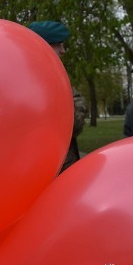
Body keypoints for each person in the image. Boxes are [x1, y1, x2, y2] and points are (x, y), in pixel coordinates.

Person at [28, 20, 88, 172]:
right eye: (59, 44)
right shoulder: (45, 82)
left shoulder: (52, 77)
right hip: (51, 169)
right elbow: (72, 123)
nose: (63, 50)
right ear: (44, 45)